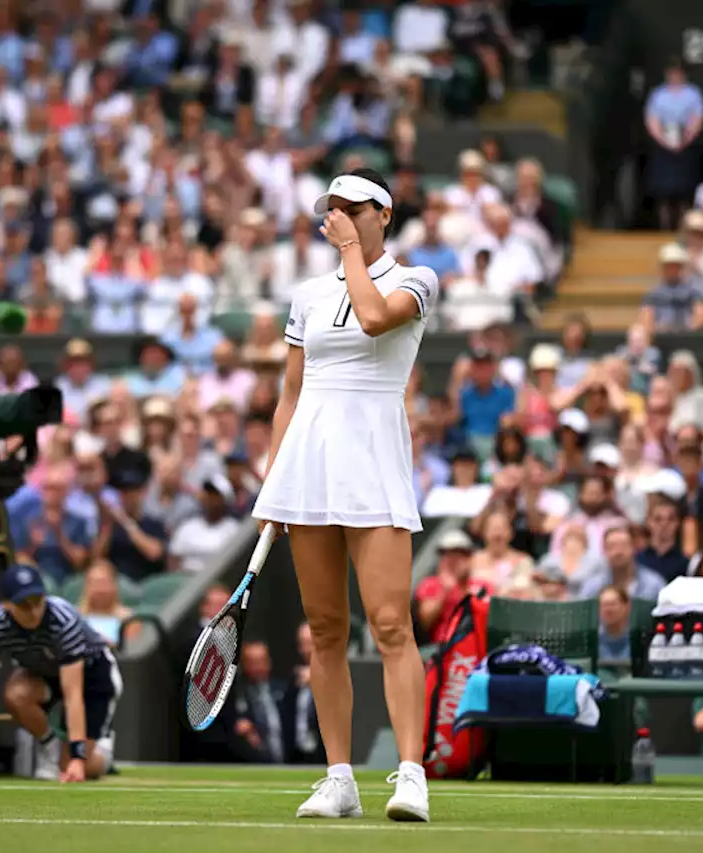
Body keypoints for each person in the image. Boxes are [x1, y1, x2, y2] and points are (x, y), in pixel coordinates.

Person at [252, 168, 439, 822]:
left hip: (375, 458)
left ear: (383, 214)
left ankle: (411, 774)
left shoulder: (416, 279)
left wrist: (353, 253)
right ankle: (339, 778)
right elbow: (290, 395)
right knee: (326, 628)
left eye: (353, 208)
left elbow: (373, 317)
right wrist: (274, 479)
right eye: (332, 208)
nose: (339, 217)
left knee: (390, 623)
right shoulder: (305, 295)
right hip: (309, 466)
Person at [0, 565, 122, 783]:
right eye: (24, 605)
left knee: (72, 764)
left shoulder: (63, 620)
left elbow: (73, 694)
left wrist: (77, 758)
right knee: (17, 694)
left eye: (38, 601)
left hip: (94, 677)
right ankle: (50, 747)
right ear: (7, 605)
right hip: (48, 672)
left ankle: (103, 754)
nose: (34, 611)